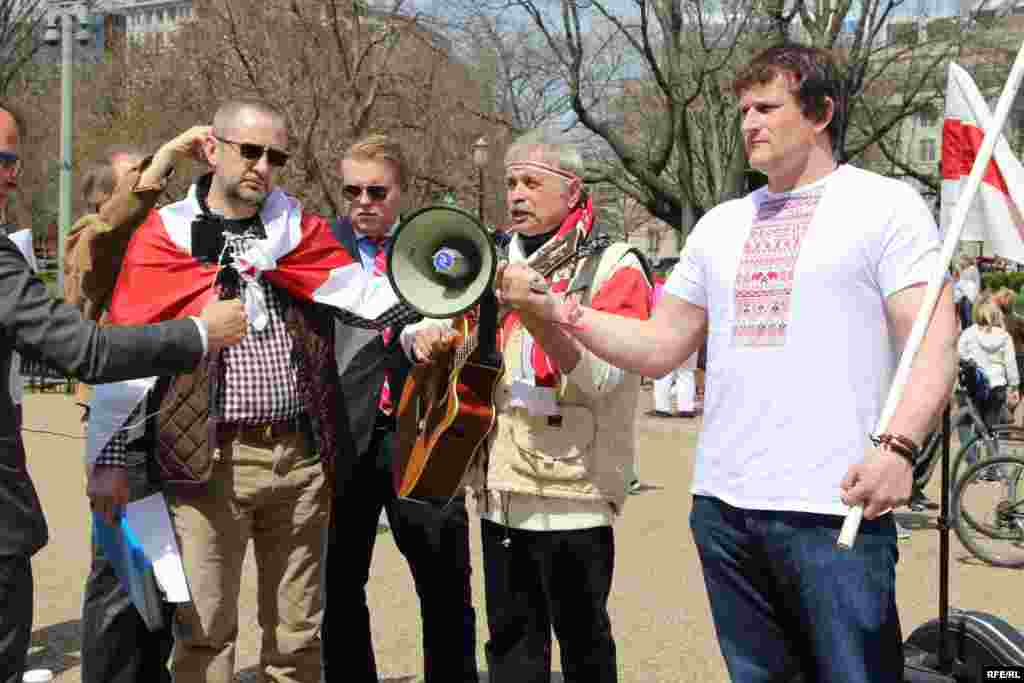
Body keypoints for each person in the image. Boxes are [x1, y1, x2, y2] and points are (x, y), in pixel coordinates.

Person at [495, 45, 957, 682]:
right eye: (743, 109)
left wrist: (898, 449)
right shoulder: (719, 225)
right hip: (723, 508)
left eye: (767, 107)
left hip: (836, 508)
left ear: (822, 112)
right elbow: (660, 347)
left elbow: (934, 342)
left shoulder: (887, 206)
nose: (749, 123)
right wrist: (561, 311)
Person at [86, 99, 373, 683]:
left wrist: (427, 320)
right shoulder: (165, 237)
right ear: (213, 150)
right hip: (207, 463)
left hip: (300, 461)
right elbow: (124, 354)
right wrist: (110, 458)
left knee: (297, 637)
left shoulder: (301, 234)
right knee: (205, 633)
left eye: (276, 156)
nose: (263, 166)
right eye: (250, 151)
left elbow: (368, 297)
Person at [0, 101, 247, 683]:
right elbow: (87, 343)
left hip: (188, 451)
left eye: (13, 159)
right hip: (126, 441)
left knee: (163, 606)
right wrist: (197, 333)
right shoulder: (98, 242)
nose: (12, 173)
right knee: (121, 598)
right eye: (3, 160)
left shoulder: (193, 238)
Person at [412, 129, 653, 683]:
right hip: (501, 488)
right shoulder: (488, 260)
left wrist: (544, 313)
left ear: (572, 192)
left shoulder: (614, 265)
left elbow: (605, 379)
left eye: (530, 182)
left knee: (584, 642)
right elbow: (443, 317)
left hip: (575, 489)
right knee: (512, 645)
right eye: (510, 182)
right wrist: (422, 338)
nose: (516, 194)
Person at [320, 134, 479, 683]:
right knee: (338, 584)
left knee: (445, 581)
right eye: (352, 190)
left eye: (377, 191)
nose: (363, 201)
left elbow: (473, 318)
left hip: (424, 431)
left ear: (402, 193)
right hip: (345, 436)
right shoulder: (317, 249)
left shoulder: (440, 250)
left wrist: (447, 337)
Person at [64, 128, 209, 683]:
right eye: (139, 181)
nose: (154, 191)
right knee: (121, 576)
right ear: (105, 200)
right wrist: (166, 159)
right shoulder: (90, 242)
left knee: (163, 574)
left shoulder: (154, 248)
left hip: (168, 425)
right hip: (119, 427)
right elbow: (107, 237)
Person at [958, 300, 1019, 458]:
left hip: (975, 384)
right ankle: (992, 467)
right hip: (997, 386)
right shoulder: (1004, 336)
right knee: (992, 428)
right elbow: (1010, 363)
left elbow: (960, 357)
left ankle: (973, 464)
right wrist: (1014, 386)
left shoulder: (968, 334)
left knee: (971, 426)